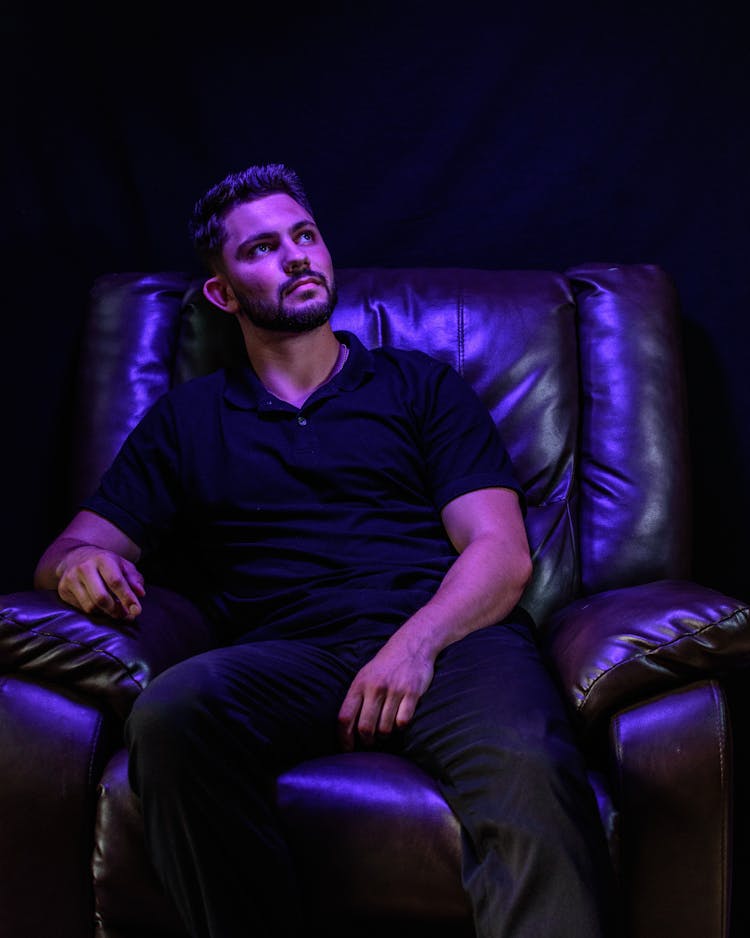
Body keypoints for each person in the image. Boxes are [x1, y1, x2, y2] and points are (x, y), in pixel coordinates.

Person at [34, 163, 614, 938]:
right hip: (289, 654)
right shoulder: (188, 419)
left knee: (530, 769)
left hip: (455, 640)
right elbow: (69, 548)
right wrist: (79, 567)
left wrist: (413, 647)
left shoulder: (419, 387)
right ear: (223, 293)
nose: (298, 256)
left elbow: (501, 552)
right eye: (263, 248)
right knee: (172, 713)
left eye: (305, 235)